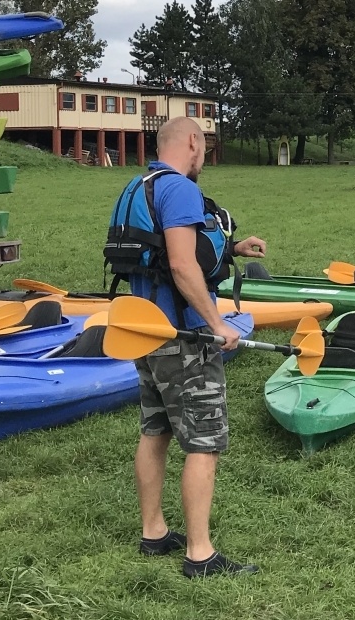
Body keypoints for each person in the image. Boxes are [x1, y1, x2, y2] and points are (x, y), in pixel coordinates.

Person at [111, 116, 268, 579]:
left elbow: (161, 252)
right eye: (206, 146)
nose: (205, 157)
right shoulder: (180, 188)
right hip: (186, 338)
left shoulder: (139, 185)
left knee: (155, 430)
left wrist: (233, 248)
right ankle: (200, 554)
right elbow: (180, 265)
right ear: (194, 142)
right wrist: (218, 322)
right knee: (204, 443)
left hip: (146, 331)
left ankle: (154, 531)